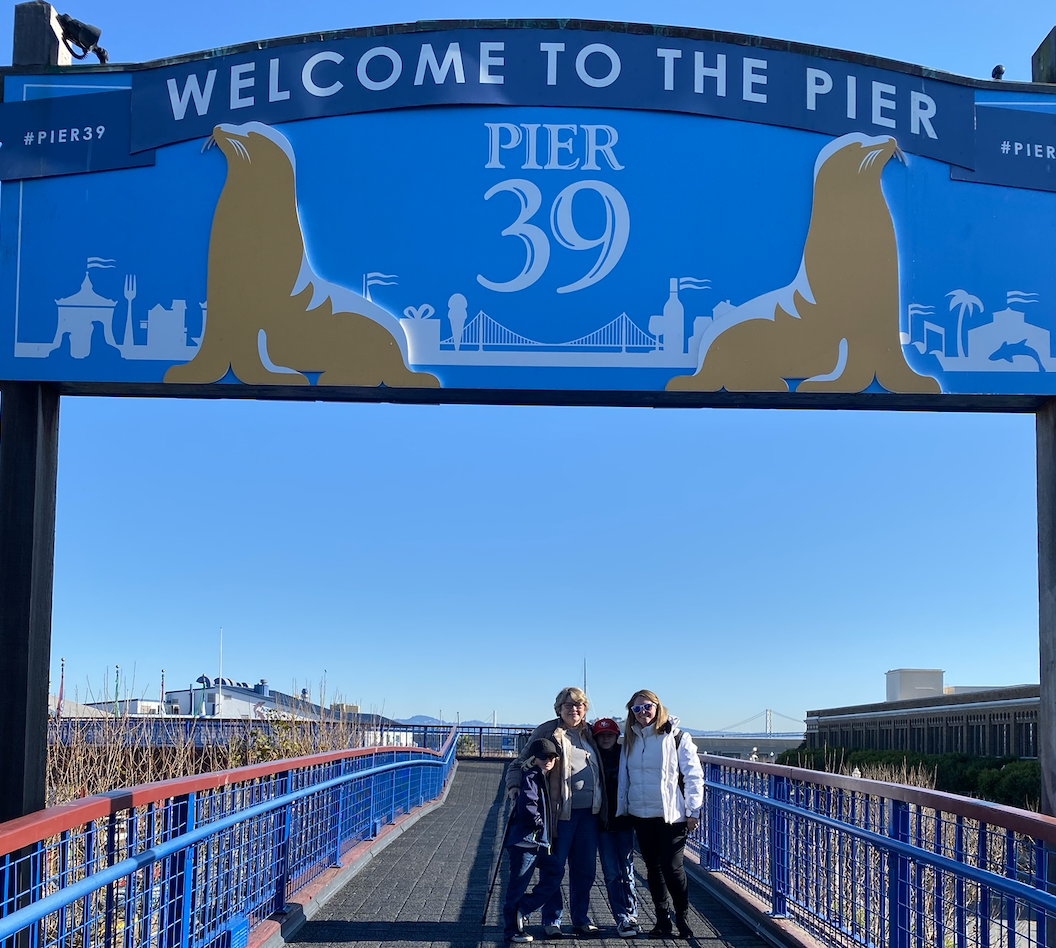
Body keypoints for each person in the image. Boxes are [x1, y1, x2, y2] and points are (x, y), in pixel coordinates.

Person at [505, 686, 604, 938]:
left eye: (579, 704)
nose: (574, 709)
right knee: (555, 868)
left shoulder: (590, 733)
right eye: (568, 705)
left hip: (588, 814)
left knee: (584, 870)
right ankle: (553, 919)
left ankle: (580, 918)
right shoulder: (548, 731)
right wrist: (515, 785)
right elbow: (519, 762)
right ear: (558, 708)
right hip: (558, 814)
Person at [616, 690, 704, 939]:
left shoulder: (676, 736)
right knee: (653, 868)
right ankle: (662, 920)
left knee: (672, 867)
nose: (643, 712)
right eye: (636, 709)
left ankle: (683, 919)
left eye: (647, 707)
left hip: (671, 815)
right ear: (631, 713)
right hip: (640, 813)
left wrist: (693, 811)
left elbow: (693, 775)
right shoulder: (630, 739)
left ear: (657, 706)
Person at [504, 738, 560, 943]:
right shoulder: (532, 776)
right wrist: (538, 824)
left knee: (556, 871)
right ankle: (512, 930)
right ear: (534, 758)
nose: (548, 760)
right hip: (525, 842)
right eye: (543, 756)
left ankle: (524, 907)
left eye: (552, 756)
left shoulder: (541, 777)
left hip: (537, 843)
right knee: (517, 886)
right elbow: (528, 804)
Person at [592, 717, 639, 938]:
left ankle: (632, 914)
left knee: (627, 870)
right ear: (596, 738)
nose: (606, 738)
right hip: (603, 823)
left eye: (610, 734)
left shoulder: (627, 755)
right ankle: (621, 917)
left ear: (617, 735)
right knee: (611, 873)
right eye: (601, 735)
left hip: (624, 822)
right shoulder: (591, 758)